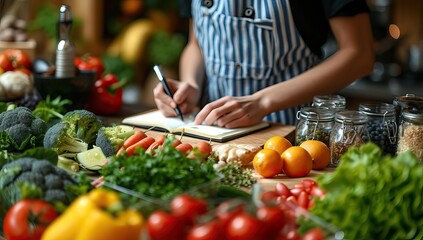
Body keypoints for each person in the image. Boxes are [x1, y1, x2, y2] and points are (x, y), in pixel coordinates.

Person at [153, 0, 374, 128]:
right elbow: (197, 43)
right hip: (212, 132)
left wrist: (263, 101)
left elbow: (359, 55)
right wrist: (191, 84)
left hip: (292, 137)